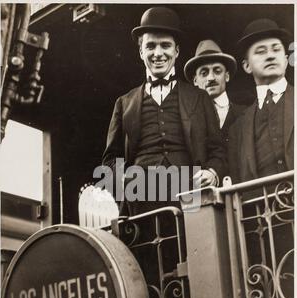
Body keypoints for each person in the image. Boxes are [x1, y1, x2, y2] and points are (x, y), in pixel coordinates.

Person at [102, 7, 225, 216]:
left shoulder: (199, 97)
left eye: (165, 46)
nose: (158, 53)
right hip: (141, 197)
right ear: (141, 52)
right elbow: (110, 160)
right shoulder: (124, 103)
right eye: (151, 46)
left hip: (190, 194)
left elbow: (218, 149)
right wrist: (122, 177)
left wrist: (212, 173)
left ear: (176, 51)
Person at [229, 19, 294, 183]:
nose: (270, 55)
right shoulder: (238, 128)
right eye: (260, 51)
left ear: (286, 60)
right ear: (246, 66)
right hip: (260, 207)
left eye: (276, 49)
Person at [184, 39, 245, 176]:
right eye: (204, 73)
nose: (211, 78)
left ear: (227, 76)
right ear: (195, 81)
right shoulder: (187, 120)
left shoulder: (246, 113)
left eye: (217, 71)